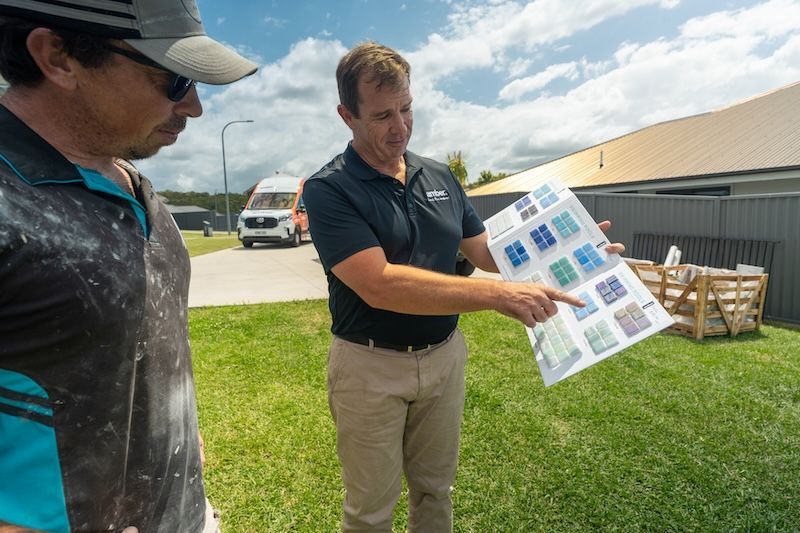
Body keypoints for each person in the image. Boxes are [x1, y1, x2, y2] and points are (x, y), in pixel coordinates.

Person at [302, 42, 625, 532]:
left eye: (407, 109)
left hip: (443, 357)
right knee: (370, 508)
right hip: (370, 366)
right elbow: (379, 285)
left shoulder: (438, 175)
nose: (400, 127)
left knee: (435, 491)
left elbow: (485, 251)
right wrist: (497, 296)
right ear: (347, 115)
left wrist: (571, 252)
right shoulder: (330, 188)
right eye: (383, 115)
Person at [0, 1, 256, 532]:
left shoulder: (134, 183)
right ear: (58, 57)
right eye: (175, 78)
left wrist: (178, 434)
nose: (194, 108)